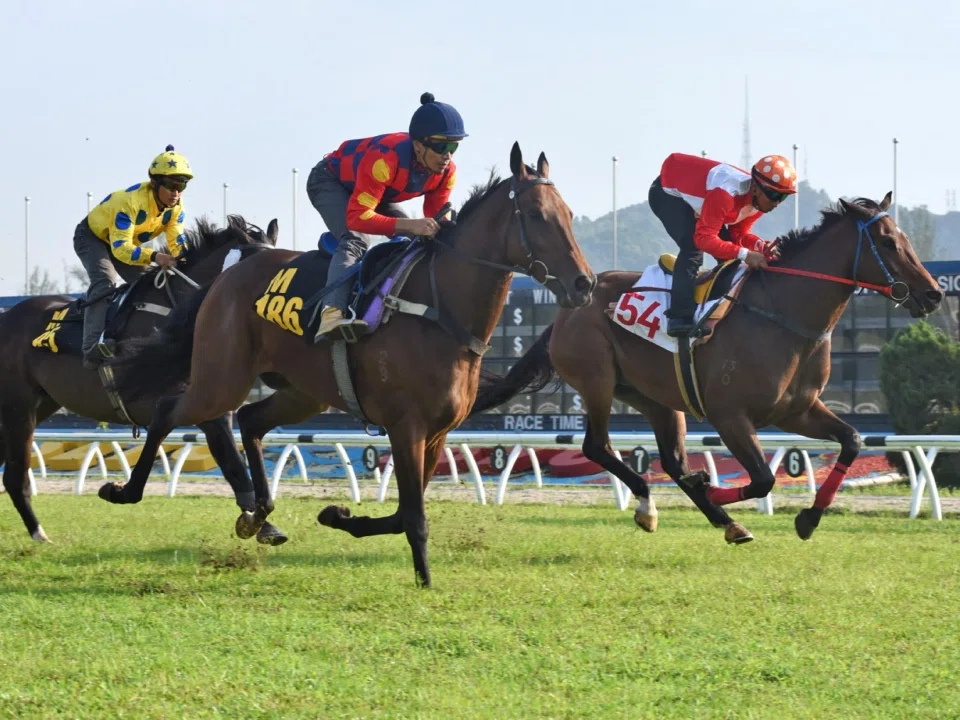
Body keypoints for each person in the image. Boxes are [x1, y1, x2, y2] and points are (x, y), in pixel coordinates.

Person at [306, 92, 466, 337]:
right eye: (441, 146)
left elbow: (434, 221)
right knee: (355, 238)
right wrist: (411, 225)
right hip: (330, 181)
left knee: (416, 240)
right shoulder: (385, 160)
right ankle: (331, 315)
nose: (448, 155)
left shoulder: (446, 172)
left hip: (376, 192)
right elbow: (357, 218)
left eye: (453, 146)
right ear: (418, 145)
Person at [648, 152, 797, 338]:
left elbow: (738, 234)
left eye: (782, 198)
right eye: (774, 195)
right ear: (757, 188)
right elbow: (704, 239)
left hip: (705, 199)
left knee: (729, 255)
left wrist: (758, 245)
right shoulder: (725, 194)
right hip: (667, 193)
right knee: (693, 249)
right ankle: (679, 317)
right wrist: (746, 254)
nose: (776, 202)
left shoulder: (758, 203)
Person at [76, 145, 191, 369]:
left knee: (150, 285)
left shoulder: (176, 208)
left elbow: (177, 242)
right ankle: (90, 349)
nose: (176, 193)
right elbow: (120, 250)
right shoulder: (130, 201)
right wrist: (156, 256)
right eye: (170, 185)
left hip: (125, 244)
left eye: (182, 186)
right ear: (155, 183)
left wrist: (187, 261)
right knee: (105, 281)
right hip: (93, 238)